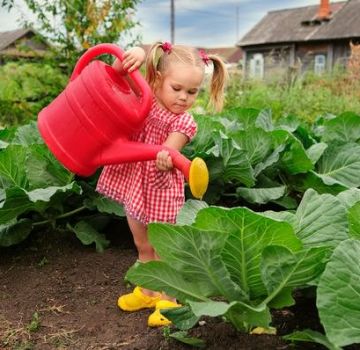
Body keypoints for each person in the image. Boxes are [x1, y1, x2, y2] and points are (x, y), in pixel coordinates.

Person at [96, 41, 228, 327]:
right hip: (135, 183)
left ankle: (168, 300)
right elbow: (116, 77)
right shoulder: (146, 96)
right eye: (177, 88)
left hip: (159, 189)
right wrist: (134, 57)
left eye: (192, 92)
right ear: (157, 80)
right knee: (142, 244)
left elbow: (169, 148)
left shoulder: (185, 122)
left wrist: (166, 155)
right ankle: (146, 292)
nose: (183, 98)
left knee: (162, 247)